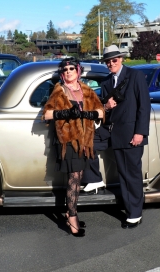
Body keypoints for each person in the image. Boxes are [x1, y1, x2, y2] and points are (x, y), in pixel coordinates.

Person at [43, 57, 104, 237]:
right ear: (62, 73)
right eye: (65, 69)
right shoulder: (59, 90)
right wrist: (64, 112)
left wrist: (91, 113)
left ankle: (70, 212)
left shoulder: (86, 89)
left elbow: (101, 111)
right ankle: (72, 217)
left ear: (78, 70)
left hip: (85, 142)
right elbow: (46, 114)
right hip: (68, 141)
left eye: (71, 68)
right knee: (74, 178)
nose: (68, 71)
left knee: (78, 179)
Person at [101, 45, 150, 229]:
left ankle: (135, 213)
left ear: (121, 59)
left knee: (133, 174)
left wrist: (140, 132)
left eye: (114, 60)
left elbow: (144, 106)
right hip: (116, 134)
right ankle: (131, 210)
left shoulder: (135, 76)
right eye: (108, 61)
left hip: (132, 134)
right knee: (123, 175)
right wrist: (106, 106)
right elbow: (103, 110)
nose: (111, 64)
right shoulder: (106, 82)